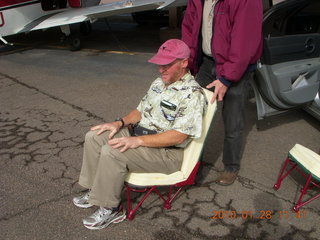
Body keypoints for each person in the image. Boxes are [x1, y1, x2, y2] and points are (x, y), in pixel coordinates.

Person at [72, 39, 208, 230]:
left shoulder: (192, 94)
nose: (161, 69)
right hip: (140, 136)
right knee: (94, 137)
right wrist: (118, 123)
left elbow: (179, 136)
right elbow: (140, 111)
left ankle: (111, 209)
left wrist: (138, 141)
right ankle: (95, 190)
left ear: (184, 62)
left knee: (112, 151)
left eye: (167, 64)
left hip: (166, 152)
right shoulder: (159, 82)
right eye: (160, 64)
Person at [181, 0, 263, 186]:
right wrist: (188, 62)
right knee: (195, 118)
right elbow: (189, 29)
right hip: (206, 63)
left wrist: (227, 79)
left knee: (232, 121)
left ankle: (231, 166)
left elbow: (244, 42)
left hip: (237, 67)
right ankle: (193, 165)